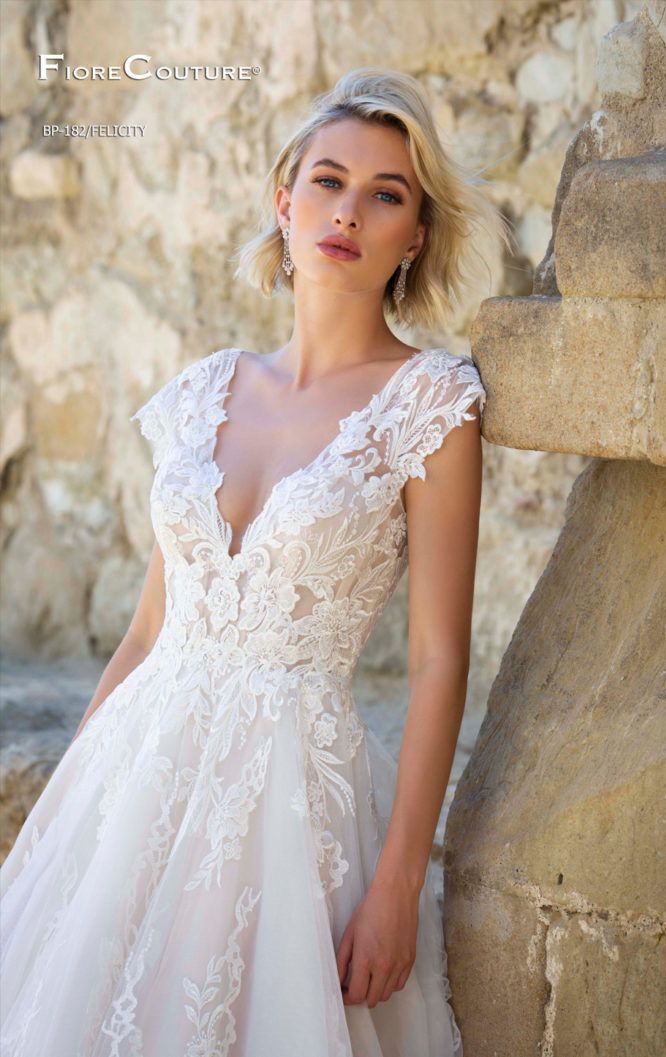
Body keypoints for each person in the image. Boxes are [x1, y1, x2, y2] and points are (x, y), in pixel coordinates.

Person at [0, 66, 509, 1056]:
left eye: (387, 194)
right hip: (134, 776)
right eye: (327, 180)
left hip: (287, 806)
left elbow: (439, 658)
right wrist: (63, 825)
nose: (349, 211)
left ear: (417, 235)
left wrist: (400, 880)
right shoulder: (202, 392)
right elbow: (150, 631)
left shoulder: (431, 405)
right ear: (283, 201)